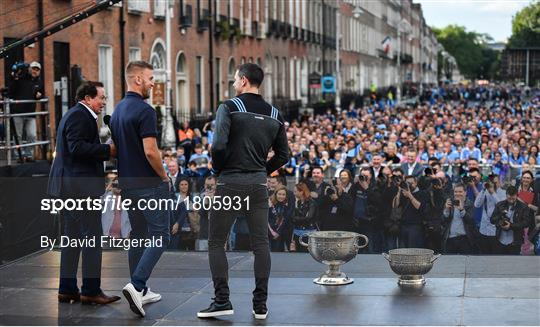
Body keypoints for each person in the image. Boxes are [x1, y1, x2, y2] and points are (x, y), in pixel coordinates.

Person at [198, 63, 289, 320]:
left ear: (244, 81)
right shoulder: (274, 114)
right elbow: (284, 154)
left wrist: (218, 170)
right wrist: (263, 169)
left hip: (230, 182)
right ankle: (260, 305)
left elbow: (218, 146)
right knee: (261, 244)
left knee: (216, 241)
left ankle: (222, 300)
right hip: (259, 185)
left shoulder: (229, 107)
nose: (234, 82)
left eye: (236, 79)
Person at [47, 81, 120, 305]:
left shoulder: (74, 114)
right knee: (92, 238)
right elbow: (76, 148)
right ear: (87, 98)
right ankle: (90, 290)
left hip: (69, 188)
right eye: (101, 97)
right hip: (79, 190)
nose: (104, 102)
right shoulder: (81, 116)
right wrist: (107, 149)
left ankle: (67, 289)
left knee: (71, 239)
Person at [110, 61, 170, 317]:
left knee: (139, 233)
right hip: (149, 185)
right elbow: (150, 151)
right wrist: (165, 177)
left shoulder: (118, 110)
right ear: (137, 80)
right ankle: (137, 285)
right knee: (161, 235)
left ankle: (141, 291)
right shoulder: (145, 111)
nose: (153, 83)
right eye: (150, 78)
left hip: (128, 185)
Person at [10, 61, 43, 160]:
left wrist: (39, 96)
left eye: (37, 70)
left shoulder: (39, 82)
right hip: (18, 111)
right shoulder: (21, 79)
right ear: (29, 69)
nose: (35, 71)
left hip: (30, 113)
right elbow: (12, 90)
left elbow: (41, 94)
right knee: (18, 135)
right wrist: (14, 77)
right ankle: (18, 156)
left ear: (39, 72)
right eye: (33, 68)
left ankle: (29, 155)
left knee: (32, 135)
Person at [490, 186, 532, 255]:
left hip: (515, 241)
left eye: (513, 198)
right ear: (506, 195)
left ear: (517, 195)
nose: (511, 200)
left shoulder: (523, 207)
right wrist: (500, 218)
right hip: (500, 239)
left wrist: (511, 226)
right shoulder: (500, 204)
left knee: (514, 263)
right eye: (509, 198)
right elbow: (492, 220)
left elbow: (526, 223)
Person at [474, 174, 506, 254]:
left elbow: (502, 207)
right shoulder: (485, 192)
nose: (493, 185)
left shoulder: (503, 193)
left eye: (495, 183)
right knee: (484, 255)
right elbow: (477, 204)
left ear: (499, 182)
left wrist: (493, 193)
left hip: (496, 231)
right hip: (484, 229)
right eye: (491, 183)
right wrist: (483, 190)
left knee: (495, 256)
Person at [442, 184, 476, 254]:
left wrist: (462, 209)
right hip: (450, 238)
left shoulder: (469, 204)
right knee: (450, 262)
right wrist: (446, 210)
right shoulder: (449, 202)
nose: (457, 194)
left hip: (465, 238)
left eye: (460, 191)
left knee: (466, 262)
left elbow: (471, 221)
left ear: (465, 192)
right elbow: (443, 220)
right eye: (455, 191)